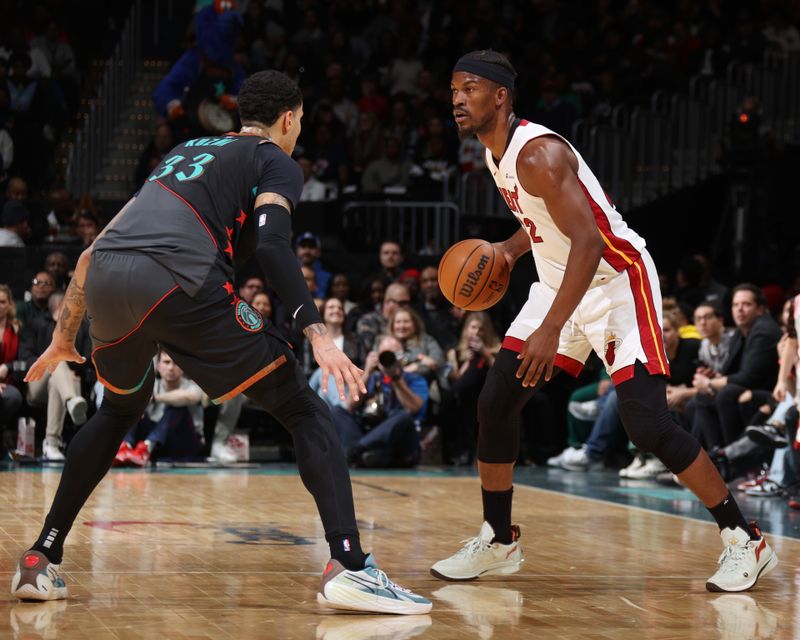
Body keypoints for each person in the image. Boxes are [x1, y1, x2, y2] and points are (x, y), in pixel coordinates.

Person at [11, 70, 430, 615]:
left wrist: (64, 337)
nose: (298, 132)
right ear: (287, 120)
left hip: (109, 279)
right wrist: (319, 335)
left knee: (119, 408)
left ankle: (41, 558)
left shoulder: (187, 151)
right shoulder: (274, 158)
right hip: (180, 278)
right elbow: (277, 245)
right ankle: (350, 567)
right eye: (299, 123)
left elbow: (92, 252)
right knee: (305, 409)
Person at [431, 50, 777, 592]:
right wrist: (509, 248)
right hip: (557, 281)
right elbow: (546, 221)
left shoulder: (538, 153)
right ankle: (499, 542)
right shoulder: (494, 150)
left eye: (468, 88)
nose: (456, 98)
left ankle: (744, 539)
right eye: (452, 88)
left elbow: (589, 240)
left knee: (647, 424)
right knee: (496, 402)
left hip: (615, 280)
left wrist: (550, 329)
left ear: (500, 96)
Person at [115, 351, 204, 467]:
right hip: (154, 442)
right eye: (166, 362)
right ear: (158, 366)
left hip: (183, 442)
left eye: (176, 363)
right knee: (134, 408)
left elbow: (189, 397)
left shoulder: (193, 385)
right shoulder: (150, 384)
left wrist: (154, 398)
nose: (171, 368)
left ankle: (147, 447)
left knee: (178, 408)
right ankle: (125, 447)